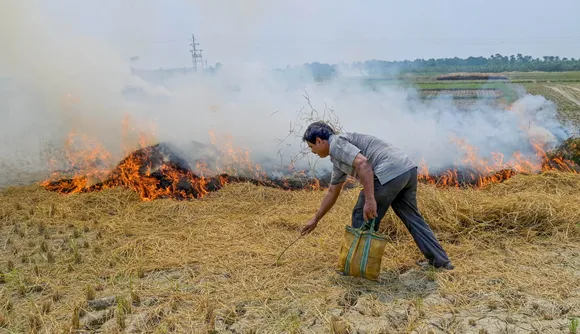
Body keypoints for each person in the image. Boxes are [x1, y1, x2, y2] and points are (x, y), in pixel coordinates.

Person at [300, 121, 454, 270]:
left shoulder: (337, 144)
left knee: (362, 214)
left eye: (311, 146)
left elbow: (363, 164)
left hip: (389, 171)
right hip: (406, 169)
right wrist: (316, 219)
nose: (313, 152)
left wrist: (370, 199)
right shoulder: (339, 158)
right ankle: (439, 260)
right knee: (411, 216)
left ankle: (358, 267)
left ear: (319, 141)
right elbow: (333, 192)